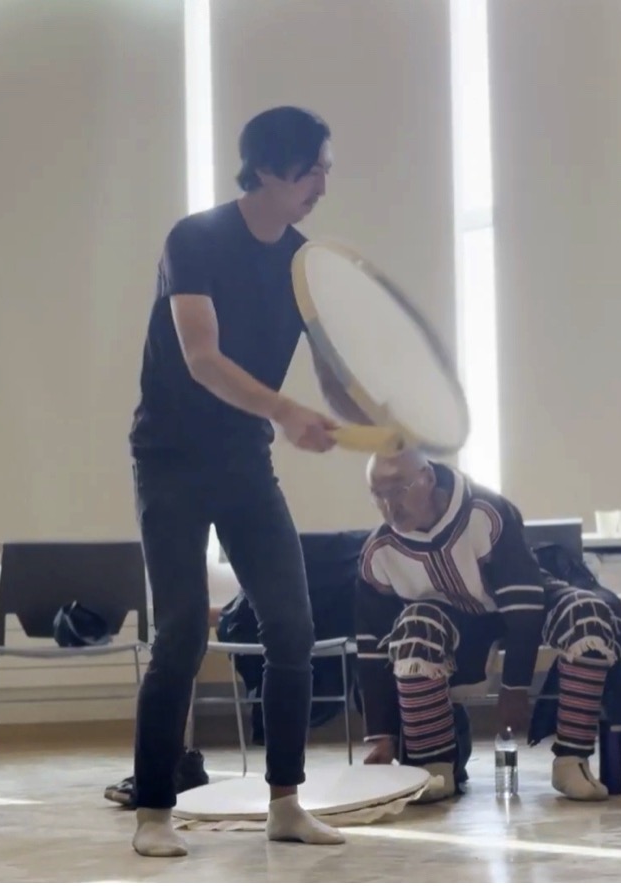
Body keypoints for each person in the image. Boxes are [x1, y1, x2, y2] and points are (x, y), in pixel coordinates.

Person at [127, 106, 359, 857]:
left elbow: (330, 375)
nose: (325, 181)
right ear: (266, 169)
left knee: (292, 626)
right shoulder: (193, 240)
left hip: (243, 463)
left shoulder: (304, 263)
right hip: (168, 460)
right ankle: (154, 813)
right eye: (315, 167)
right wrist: (287, 412)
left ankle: (285, 803)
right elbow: (201, 357)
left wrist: (383, 422)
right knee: (183, 632)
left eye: (327, 166)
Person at [355, 449, 621, 802]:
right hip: (451, 622)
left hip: (519, 604)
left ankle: (571, 760)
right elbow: (373, 648)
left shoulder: (487, 511)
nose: (390, 506)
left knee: (588, 613)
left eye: (400, 490)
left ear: (429, 477)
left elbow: (524, 604)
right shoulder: (377, 553)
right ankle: (434, 767)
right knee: (412, 629)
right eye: (379, 494)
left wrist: (515, 686)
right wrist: (383, 735)